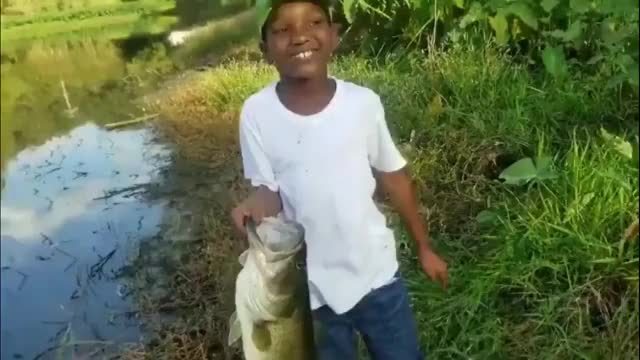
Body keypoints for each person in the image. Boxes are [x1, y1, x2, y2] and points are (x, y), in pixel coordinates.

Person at [230, 0, 448, 358]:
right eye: (283, 30)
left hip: (376, 275)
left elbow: (394, 177)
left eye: (314, 23)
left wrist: (424, 248)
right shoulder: (256, 113)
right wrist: (254, 206)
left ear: (334, 37)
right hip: (310, 291)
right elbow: (268, 191)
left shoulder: (362, 103)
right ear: (264, 50)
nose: (300, 36)